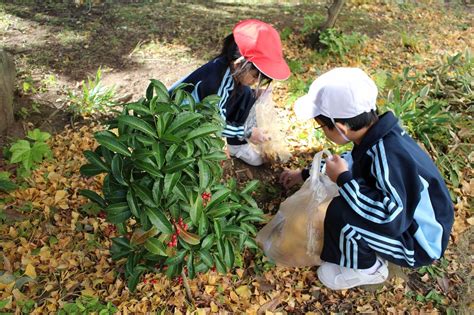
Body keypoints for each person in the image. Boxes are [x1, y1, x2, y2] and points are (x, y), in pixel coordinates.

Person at [282, 67, 454, 290]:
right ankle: (362, 252)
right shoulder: (376, 136)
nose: (322, 131)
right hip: (409, 220)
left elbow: (391, 217)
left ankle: (368, 269)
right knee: (344, 202)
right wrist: (304, 173)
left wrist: (344, 180)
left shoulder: (388, 156)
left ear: (340, 127)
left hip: (419, 243)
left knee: (340, 213)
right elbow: (349, 161)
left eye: (322, 126)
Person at [169, 19, 290, 166]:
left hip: (201, 110)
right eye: (255, 76)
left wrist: (254, 93)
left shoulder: (226, 68)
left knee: (246, 92)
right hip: (178, 122)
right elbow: (214, 125)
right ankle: (232, 144)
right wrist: (248, 132)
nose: (256, 81)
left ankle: (236, 141)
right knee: (242, 97)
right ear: (239, 64)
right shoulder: (218, 82)